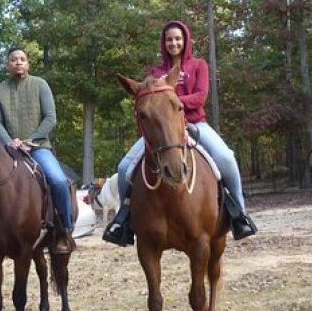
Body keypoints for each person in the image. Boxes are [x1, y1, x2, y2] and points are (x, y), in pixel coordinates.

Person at [103, 20, 257, 246]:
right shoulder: (156, 72)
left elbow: (200, 97)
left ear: (185, 40)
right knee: (124, 167)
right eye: (169, 39)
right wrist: (162, 107)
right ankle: (124, 220)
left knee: (226, 158)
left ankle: (239, 214)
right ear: (163, 44)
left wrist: (169, 102)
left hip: (195, 124)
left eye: (177, 38)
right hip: (163, 130)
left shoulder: (198, 65)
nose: (173, 42)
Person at [0, 47, 75, 256]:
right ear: (8, 65)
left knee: (58, 180)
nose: (18, 62)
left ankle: (64, 232)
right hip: (9, 150)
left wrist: (31, 141)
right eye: (14, 60)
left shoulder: (40, 85)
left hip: (38, 147)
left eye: (22, 59)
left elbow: (50, 118)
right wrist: (8, 142)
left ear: (28, 64)